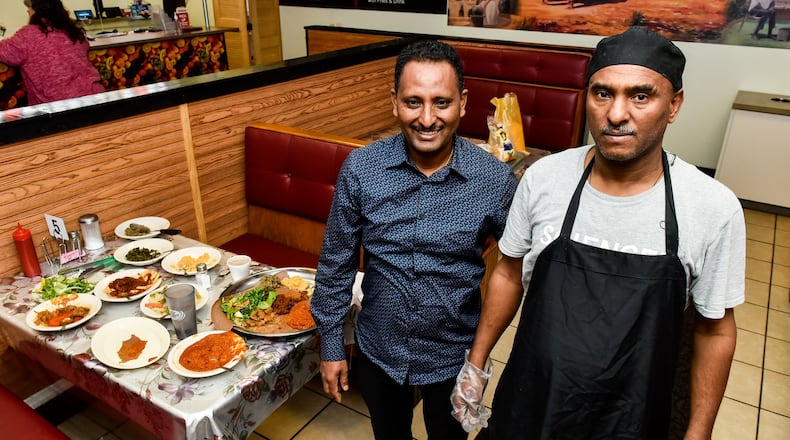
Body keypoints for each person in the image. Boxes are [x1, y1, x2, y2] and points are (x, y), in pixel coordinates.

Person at [451, 27, 745, 439]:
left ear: (674, 105)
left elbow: (715, 330)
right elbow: (508, 272)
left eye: (640, 96)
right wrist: (476, 363)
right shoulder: (544, 179)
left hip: (632, 419)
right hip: (532, 403)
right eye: (602, 93)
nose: (616, 114)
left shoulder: (712, 207)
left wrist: (699, 433)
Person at [311, 39, 518, 439]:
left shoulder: (493, 181)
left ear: (462, 103)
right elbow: (336, 264)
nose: (426, 118)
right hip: (378, 350)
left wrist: (478, 364)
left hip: (453, 357)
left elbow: (514, 272)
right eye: (412, 102)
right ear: (394, 102)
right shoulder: (361, 169)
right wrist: (332, 347)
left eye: (441, 102)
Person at [0, 0, 104, 105]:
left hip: (58, 105)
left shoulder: (28, 34)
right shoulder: (72, 30)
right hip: (96, 97)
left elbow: (5, 52)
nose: (28, 10)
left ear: (38, 9)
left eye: (30, 7)